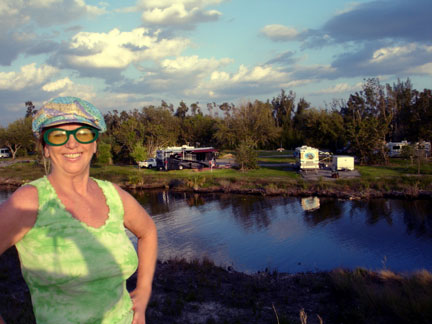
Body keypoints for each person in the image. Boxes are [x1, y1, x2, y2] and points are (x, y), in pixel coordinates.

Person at [0, 97, 157, 324]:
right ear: (45, 148)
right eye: (58, 136)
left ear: (94, 144)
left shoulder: (113, 195)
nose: (71, 144)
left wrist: (143, 292)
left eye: (83, 134)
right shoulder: (30, 200)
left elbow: (148, 231)